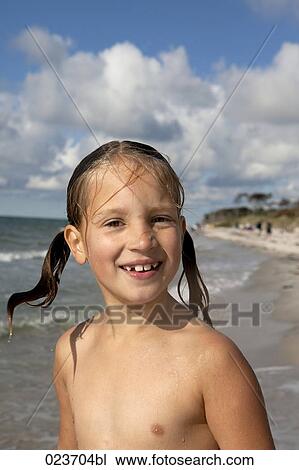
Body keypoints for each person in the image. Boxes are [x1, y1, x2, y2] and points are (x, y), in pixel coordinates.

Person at [7, 141, 275, 450]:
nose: (142, 240)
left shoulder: (213, 360)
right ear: (77, 243)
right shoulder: (70, 350)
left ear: (181, 229)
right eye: (114, 222)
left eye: (160, 218)